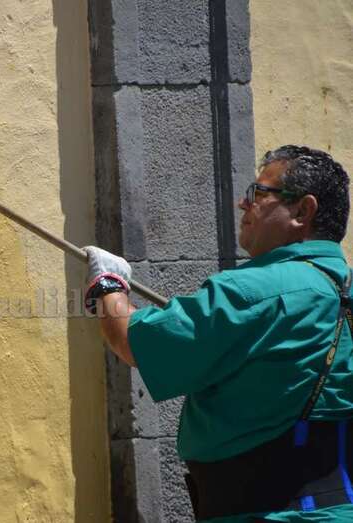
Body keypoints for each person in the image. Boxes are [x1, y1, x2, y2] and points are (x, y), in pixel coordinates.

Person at [84, 145, 353, 522]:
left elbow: (130, 341)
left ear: (302, 211)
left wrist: (107, 285)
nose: (245, 205)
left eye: (258, 194)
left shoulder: (253, 292)